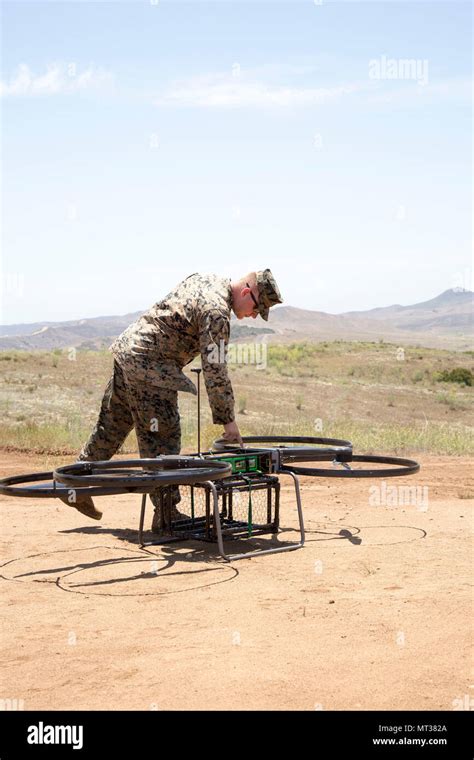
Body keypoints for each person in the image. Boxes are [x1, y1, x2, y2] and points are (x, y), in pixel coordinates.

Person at [60, 269, 283, 529]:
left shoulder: (206, 279)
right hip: (151, 367)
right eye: (257, 308)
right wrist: (228, 422)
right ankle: (166, 513)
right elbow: (215, 369)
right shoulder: (217, 311)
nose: (254, 315)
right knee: (163, 436)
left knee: (114, 423)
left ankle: (73, 483)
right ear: (247, 291)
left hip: (130, 352)